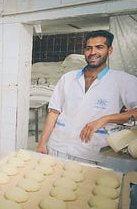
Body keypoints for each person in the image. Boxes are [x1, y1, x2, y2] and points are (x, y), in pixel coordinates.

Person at [36, 30, 137, 164]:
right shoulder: (68, 78)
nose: (93, 52)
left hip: (91, 152)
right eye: (89, 48)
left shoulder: (122, 80)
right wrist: (42, 142)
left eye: (99, 47)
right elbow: (54, 111)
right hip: (58, 147)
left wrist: (105, 119)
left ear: (110, 50)